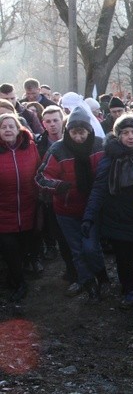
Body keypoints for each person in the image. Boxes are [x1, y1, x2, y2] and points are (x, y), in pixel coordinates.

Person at [83, 114, 133, 316]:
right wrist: (89, 216)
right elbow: (98, 188)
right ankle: (130, 291)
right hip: (117, 218)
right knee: (123, 260)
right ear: (118, 136)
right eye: (125, 133)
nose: (130, 137)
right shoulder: (109, 158)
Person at [35, 106, 111, 302]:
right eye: (73, 132)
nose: (78, 137)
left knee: (91, 247)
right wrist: (58, 186)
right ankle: (89, 284)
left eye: (82, 132)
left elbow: (109, 171)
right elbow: (41, 176)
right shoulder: (58, 149)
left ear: (89, 131)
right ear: (67, 131)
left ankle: (102, 277)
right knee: (77, 250)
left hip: (91, 208)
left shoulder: (99, 146)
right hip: (66, 210)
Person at [0, 113, 41, 305]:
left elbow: (39, 171)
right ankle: (20, 284)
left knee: (23, 247)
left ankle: (15, 276)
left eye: (11, 126)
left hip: (28, 208)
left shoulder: (30, 147)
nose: (7, 130)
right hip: (3, 211)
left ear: (18, 129)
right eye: (3, 127)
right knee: (9, 248)